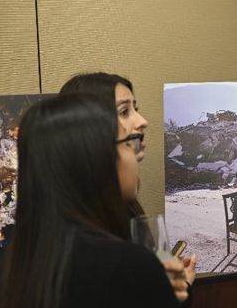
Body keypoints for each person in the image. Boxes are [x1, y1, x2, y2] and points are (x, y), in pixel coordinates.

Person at [0, 94, 190, 307]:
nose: (135, 154)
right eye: (128, 143)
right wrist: (173, 295)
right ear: (98, 159)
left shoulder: (19, 262)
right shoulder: (127, 266)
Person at [59, 72, 196, 300]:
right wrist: (172, 295)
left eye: (135, 108)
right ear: (88, 128)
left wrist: (167, 285)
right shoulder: (86, 239)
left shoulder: (122, 205)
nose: (142, 121)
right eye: (124, 111)